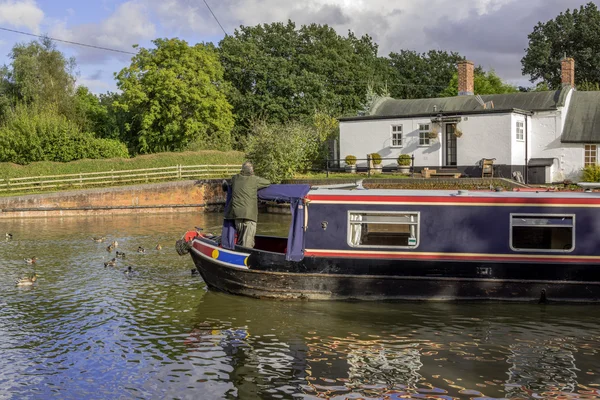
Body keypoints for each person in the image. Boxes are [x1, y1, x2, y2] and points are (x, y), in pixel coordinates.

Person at [225, 161, 270, 248]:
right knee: (248, 241)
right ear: (251, 171)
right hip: (250, 215)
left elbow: (229, 185)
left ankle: (236, 255)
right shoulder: (254, 179)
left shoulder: (235, 178)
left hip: (237, 215)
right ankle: (245, 259)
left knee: (240, 238)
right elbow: (267, 182)